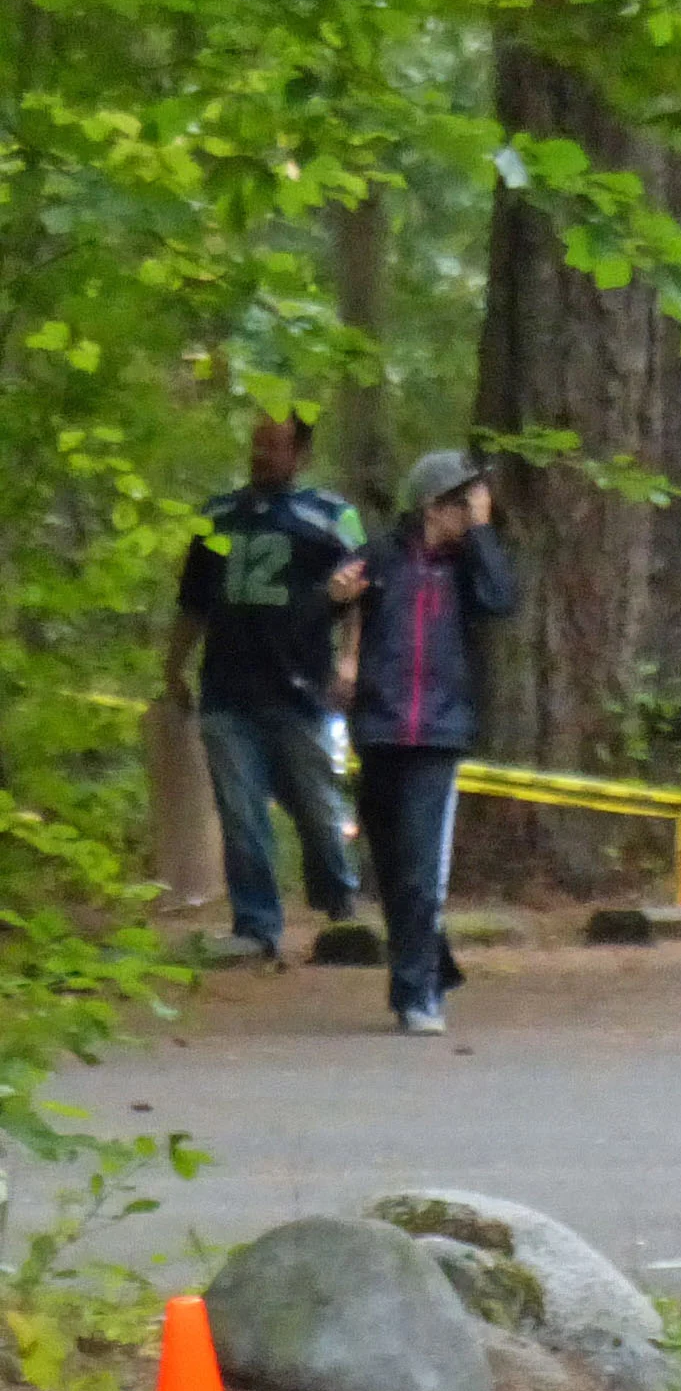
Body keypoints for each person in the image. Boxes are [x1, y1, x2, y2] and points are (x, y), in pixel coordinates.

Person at [163, 415, 367, 962]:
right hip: (227, 692)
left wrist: (350, 661)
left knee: (319, 809)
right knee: (241, 811)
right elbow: (193, 603)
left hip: (301, 690)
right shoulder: (217, 516)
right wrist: (172, 668)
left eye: (272, 445)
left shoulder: (330, 517)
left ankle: (342, 908)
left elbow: (360, 596)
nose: (260, 454)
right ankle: (256, 927)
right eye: (255, 443)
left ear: (299, 453)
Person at [340, 452, 515, 1036]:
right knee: (389, 866)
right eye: (467, 504)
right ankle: (430, 966)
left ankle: (415, 994)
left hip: (438, 731)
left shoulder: (471, 565)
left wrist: (486, 531)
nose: (472, 514)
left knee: (418, 866)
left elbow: (499, 601)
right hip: (380, 727)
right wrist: (335, 596)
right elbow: (333, 605)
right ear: (435, 505)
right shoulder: (384, 555)